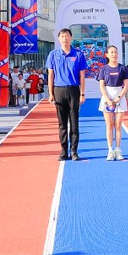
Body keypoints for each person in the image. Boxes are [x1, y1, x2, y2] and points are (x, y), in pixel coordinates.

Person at [46, 28, 89, 161]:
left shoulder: (78, 54)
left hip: (74, 90)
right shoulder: (53, 54)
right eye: (62, 36)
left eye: (67, 36)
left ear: (71, 37)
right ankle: (63, 151)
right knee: (62, 123)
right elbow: (50, 75)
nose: (65, 38)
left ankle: (74, 151)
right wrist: (51, 93)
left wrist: (82, 93)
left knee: (74, 122)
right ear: (59, 39)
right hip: (58, 90)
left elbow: (82, 75)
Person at [97, 46, 128, 160]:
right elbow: (102, 86)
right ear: (107, 55)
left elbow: (126, 85)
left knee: (118, 125)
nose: (114, 54)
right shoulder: (104, 69)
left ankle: (118, 150)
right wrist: (108, 100)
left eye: (116, 52)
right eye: (111, 52)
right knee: (109, 125)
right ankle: (110, 150)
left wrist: (119, 97)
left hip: (119, 96)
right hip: (107, 97)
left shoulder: (123, 68)